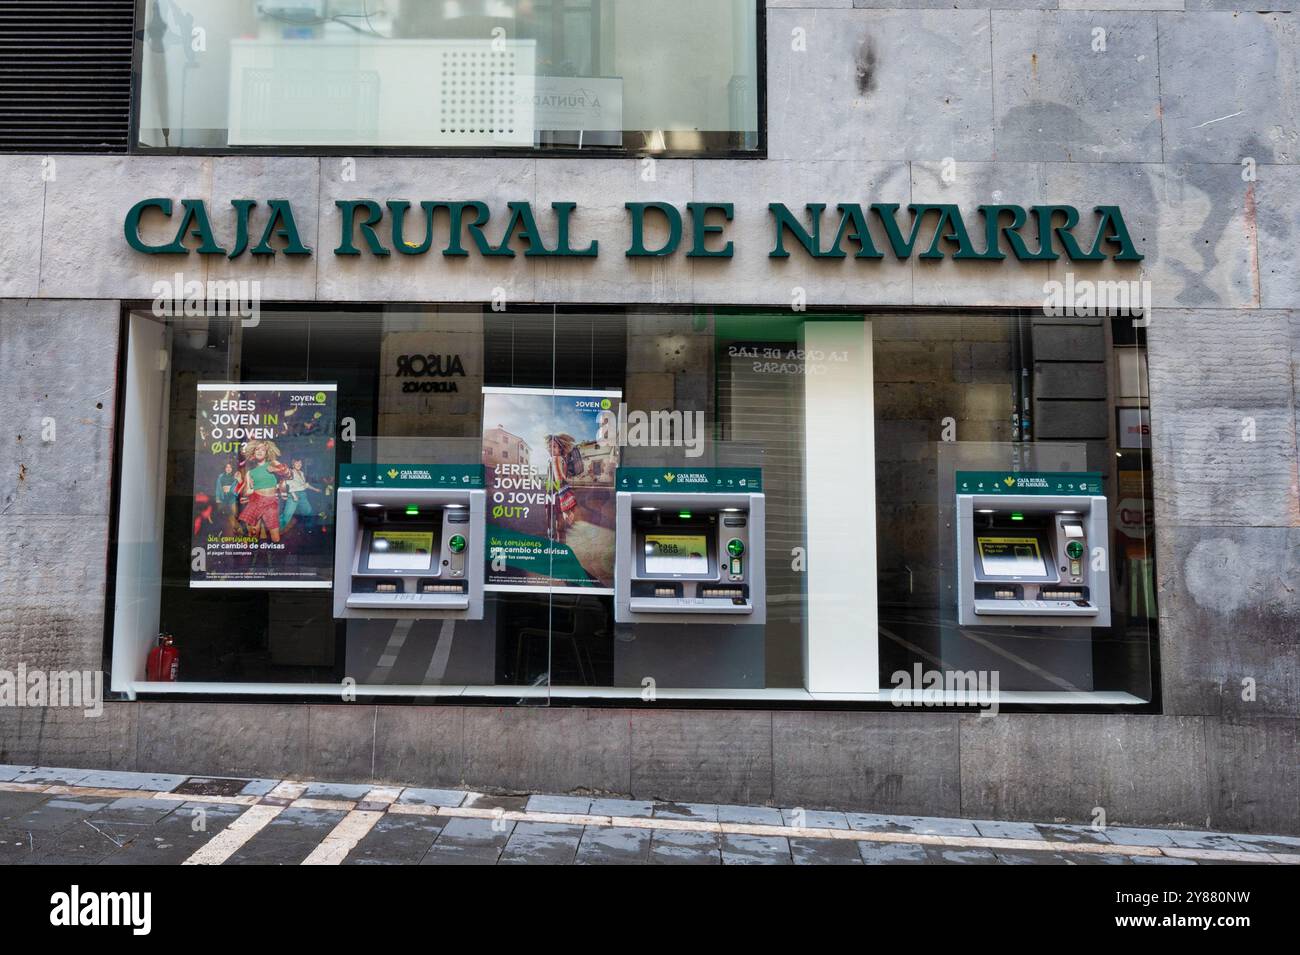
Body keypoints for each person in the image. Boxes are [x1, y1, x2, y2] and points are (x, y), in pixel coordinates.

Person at [237, 439, 290, 544]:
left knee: (276, 538)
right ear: (253, 452)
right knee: (253, 536)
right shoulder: (250, 472)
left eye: (263, 450)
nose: (260, 451)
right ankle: (254, 557)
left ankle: (271, 557)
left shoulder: (273, 463)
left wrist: (276, 469)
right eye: (257, 449)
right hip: (255, 502)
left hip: (270, 503)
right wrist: (250, 491)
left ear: (266, 453)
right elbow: (247, 491)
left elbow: (288, 474)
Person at [545, 433, 578, 539]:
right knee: (560, 529)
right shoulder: (561, 459)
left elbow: (560, 481)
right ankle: (560, 552)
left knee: (553, 528)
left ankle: (554, 552)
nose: (551, 449)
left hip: (555, 497)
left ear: (560, 448)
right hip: (554, 496)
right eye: (549, 446)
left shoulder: (555, 459)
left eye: (554, 446)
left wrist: (566, 508)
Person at [280, 458, 320, 531]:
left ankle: (308, 529)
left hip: (302, 495)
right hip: (293, 495)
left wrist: (315, 489)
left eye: (300, 463)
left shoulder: (301, 473)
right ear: (293, 464)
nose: (299, 464)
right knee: (287, 516)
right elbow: (287, 484)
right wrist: (294, 495)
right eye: (297, 463)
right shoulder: (290, 472)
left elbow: (305, 485)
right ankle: (276, 531)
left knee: (309, 512)